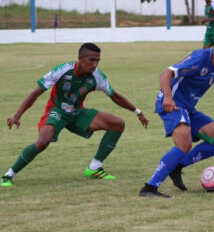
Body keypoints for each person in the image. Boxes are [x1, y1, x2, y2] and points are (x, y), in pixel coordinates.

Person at [1, 43, 149, 187]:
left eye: (97, 61)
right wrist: (17, 115)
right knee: (43, 141)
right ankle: (9, 174)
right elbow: (35, 93)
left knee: (117, 124)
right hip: (57, 111)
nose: (95, 64)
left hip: (77, 112)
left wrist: (137, 112)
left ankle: (94, 168)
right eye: (92, 60)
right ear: (80, 58)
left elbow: (114, 95)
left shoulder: (97, 76)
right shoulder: (62, 70)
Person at [139, 29, 214, 198]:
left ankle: (178, 165)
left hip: (188, 109)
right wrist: (167, 97)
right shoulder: (201, 57)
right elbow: (166, 73)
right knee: (184, 144)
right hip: (172, 104)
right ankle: (150, 188)